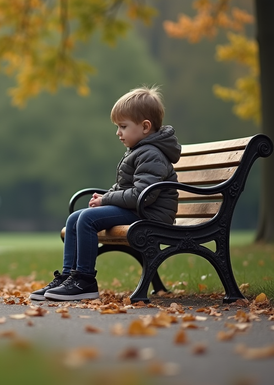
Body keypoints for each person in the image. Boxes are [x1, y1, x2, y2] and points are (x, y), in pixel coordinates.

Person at [30, 85, 181, 301]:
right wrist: (105, 197)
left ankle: (85, 280)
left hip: (150, 215)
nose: (118, 133)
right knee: (75, 218)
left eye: (123, 126)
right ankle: (68, 277)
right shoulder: (139, 151)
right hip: (138, 210)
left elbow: (143, 195)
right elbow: (125, 188)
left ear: (145, 126)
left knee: (87, 219)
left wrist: (106, 199)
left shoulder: (151, 154)